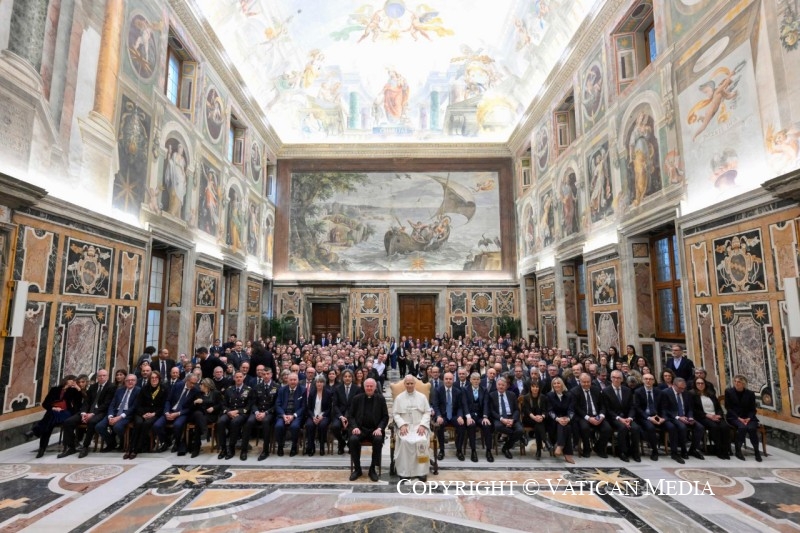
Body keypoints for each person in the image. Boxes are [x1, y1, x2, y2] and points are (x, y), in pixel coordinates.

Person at [27, 375, 83, 458]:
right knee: (49, 424)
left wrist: (78, 389)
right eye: (72, 380)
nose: (73, 382)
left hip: (66, 413)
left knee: (49, 419)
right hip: (54, 412)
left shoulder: (73, 391)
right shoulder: (54, 390)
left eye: (75, 381)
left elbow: (79, 402)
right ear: (66, 380)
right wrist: (53, 408)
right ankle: (42, 448)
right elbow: (45, 404)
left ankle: (36, 433)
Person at [348, 378, 388, 482]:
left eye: (371, 386)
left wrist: (380, 428)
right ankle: (357, 469)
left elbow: (385, 417)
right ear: (364, 387)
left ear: (375, 387)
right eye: (367, 386)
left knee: (378, 440)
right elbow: (351, 416)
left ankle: (372, 469)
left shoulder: (380, 399)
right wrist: (355, 427)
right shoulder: (357, 398)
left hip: (374, 430)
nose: (369, 388)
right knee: (353, 440)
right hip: (360, 429)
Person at [393, 376, 432, 480]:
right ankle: (404, 472)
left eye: (411, 383)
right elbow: (396, 414)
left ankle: (422, 472)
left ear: (415, 384)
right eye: (407, 383)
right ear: (404, 384)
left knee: (421, 440)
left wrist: (423, 425)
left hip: (419, 425)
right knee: (405, 442)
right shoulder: (399, 398)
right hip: (405, 426)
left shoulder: (422, 397)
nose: (409, 385)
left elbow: (427, 412)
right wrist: (401, 425)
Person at [153, 374, 200, 455]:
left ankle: (177, 443)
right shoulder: (178, 385)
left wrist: (178, 413)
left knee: (177, 425)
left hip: (182, 413)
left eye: (195, 383)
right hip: (170, 410)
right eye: (191, 383)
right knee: (157, 425)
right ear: (187, 380)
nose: (193, 385)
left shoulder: (196, 391)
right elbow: (168, 400)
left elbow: (191, 408)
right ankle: (166, 441)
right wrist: (166, 412)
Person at [662, 377, 705, 463]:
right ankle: (682, 451)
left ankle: (693, 450)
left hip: (686, 417)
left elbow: (690, 408)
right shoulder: (666, 393)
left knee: (700, 427)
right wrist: (678, 417)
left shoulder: (686, 393)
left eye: (684, 388)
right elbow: (664, 410)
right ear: (674, 385)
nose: (682, 390)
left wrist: (690, 417)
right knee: (682, 427)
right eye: (680, 388)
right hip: (673, 417)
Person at [602, 370, 641, 462]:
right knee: (622, 428)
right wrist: (620, 419)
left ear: (622, 379)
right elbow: (608, 410)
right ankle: (622, 452)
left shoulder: (627, 390)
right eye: (614, 378)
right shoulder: (606, 391)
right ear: (611, 378)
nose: (616, 380)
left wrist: (630, 418)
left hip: (628, 417)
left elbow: (632, 406)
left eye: (618, 378)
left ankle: (635, 452)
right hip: (614, 418)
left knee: (635, 428)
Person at [96, 374, 141, 453]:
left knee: (117, 427)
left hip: (127, 414)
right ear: (125, 381)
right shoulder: (119, 390)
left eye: (132, 380)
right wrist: (110, 416)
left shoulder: (138, 391)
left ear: (136, 382)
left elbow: (133, 407)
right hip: (115, 412)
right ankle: (111, 443)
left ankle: (124, 442)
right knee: (99, 426)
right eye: (128, 380)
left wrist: (119, 417)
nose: (130, 382)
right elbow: (112, 404)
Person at [128, 370, 167, 459]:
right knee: (138, 423)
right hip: (141, 413)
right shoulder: (144, 388)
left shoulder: (164, 389)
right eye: (152, 378)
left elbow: (163, 406)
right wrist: (143, 414)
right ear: (149, 379)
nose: (154, 379)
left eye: (156, 378)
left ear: (159, 379)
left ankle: (136, 449)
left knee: (146, 424)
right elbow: (138, 404)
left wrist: (153, 414)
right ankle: (130, 448)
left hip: (155, 413)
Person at [245, 367, 279, 461]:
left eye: (268, 374)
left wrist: (266, 413)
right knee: (249, 422)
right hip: (257, 411)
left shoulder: (277, 387)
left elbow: (277, 404)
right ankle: (244, 449)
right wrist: (256, 412)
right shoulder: (257, 387)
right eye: (264, 374)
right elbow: (253, 403)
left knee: (266, 422)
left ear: (271, 375)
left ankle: (265, 450)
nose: (266, 376)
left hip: (269, 413)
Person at [217, 371, 253, 460]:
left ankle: (231, 448)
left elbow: (249, 406)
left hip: (242, 413)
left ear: (243, 378)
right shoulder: (229, 389)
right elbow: (223, 404)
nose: (238, 379)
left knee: (234, 422)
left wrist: (237, 411)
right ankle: (223, 449)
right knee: (220, 422)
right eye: (237, 377)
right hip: (229, 412)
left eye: (240, 377)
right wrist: (229, 412)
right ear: (234, 378)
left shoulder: (248, 389)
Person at [691, 376, 730, 460]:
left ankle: (726, 450)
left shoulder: (711, 394)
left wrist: (718, 415)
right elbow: (694, 410)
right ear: (695, 384)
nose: (700, 385)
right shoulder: (692, 394)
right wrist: (708, 415)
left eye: (702, 383)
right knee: (714, 427)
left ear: (705, 384)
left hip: (715, 415)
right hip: (703, 416)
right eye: (698, 383)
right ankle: (718, 450)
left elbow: (718, 407)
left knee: (725, 427)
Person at [725, 374, 762, 461]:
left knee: (752, 428)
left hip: (748, 417)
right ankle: (738, 451)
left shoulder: (750, 394)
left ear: (744, 384)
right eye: (735, 381)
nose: (737, 383)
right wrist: (739, 418)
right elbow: (728, 408)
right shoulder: (729, 392)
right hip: (734, 417)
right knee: (742, 428)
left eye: (739, 382)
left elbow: (753, 409)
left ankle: (756, 451)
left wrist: (749, 418)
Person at [433, 372, 466, 461]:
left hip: (454, 415)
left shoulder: (458, 391)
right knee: (439, 426)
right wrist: (438, 415)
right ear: (443, 380)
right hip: (443, 416)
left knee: (462, 425)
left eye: (450, 379)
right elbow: (435, 405)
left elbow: (460, 407)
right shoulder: (438, 390)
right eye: (446, 379)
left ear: (453, 380)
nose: (448, 381)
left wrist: (460, 416)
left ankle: (459, 450)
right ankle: (442, 450)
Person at [488, 377, 523, 459]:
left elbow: (516, 410)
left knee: (520, 430)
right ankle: (520, 436)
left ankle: (506, 448)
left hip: (511, 417)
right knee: (498, 426)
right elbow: (492, 411)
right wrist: (502, 419)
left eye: (503, 385)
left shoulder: (512, 395)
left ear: (506, 386)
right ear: (496, 385)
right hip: (499, 418)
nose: (501, 386)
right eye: (499, 385)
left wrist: (512, 420)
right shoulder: (492, 395)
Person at [634, 373, 666, 461]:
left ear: (654, 381)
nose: (648, 381)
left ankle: (676, 452)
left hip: (657, 416)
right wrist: (648, 418)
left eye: (650, 379)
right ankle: (654, 451)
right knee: (650, 427)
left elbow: (663, 407)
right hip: (644, 416)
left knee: (671, 426)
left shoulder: (659, 392)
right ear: (643, 380)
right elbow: (638, 408)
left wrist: (663, 417)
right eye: (646, 379)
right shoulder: (638, 392)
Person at [275, 372, 305, 457]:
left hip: (296, 415)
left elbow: (303, 407)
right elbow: (278, 404)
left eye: (295, 380)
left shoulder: (303, 390)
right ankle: (280, 446)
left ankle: (294, 447)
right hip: (283, 414)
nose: (293, 381)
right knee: (278, 426)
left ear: (298, 380)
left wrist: (293, 416)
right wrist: (284, 415)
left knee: (294, 427)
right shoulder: (282, 389)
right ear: (288, 380)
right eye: (291, 380)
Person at [331, 369, 361, 455]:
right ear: (342, 378)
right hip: (340, 414)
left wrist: (348, 417)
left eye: (349, 376)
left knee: (352, 426)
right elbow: (335, 405)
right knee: (335, 427)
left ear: (352, 378)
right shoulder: (337, 389)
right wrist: (341, 416)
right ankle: (342, 442)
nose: (347, 378)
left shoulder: (357, 389)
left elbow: (358, 405)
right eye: (345, 376)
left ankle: (351, 445)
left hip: (352, 414)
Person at [546, 377, 575, 463]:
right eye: (554, 384)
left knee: (566, 425)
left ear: (562, 384)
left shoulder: (569, 395)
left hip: (567, 418)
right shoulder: (549, 395)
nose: (556, 385)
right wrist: (558, 419)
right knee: (565, 426)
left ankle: (560, 445)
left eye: (558, 383)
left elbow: (571, 410)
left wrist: (568, 418)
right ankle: (567, 453)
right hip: (553, 420)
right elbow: (549, 410)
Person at [304, 375, 333, 456]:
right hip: (313, 415)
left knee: (322, 425)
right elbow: (309, 408)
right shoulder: (312, 393)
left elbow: (329, 408)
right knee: (309, 425)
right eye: (317, 382)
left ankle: (321, 447)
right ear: (315, 383)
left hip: (324, 415)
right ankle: (311, 447)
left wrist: (321, 416)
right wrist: (313, 417)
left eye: (321, 382)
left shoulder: (328, 393)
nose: (319, 384)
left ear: (324, 383)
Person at [520, 381, 549, 459]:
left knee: (538, 426)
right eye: (533, 387)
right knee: (539, 425)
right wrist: (534, 417)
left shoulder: (543, 397)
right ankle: (545, 441)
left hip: (539, 419)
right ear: (530, 388)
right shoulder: (526, 397)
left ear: (539, 388)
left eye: (537, 387)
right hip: (529, 419)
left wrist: (542, 417)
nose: (535, 388)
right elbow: (526, 411)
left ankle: (539, 450)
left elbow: (545, 410)